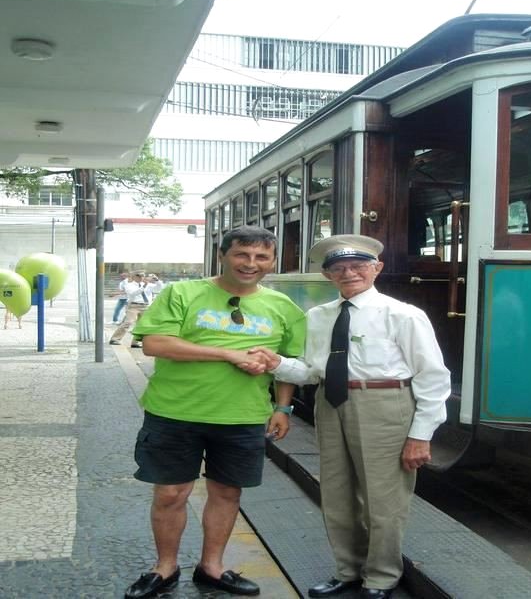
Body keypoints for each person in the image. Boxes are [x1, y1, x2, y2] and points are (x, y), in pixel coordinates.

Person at [253, 234, 451, 599]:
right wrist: (277, 363)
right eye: (338, 268)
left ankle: (381, 577)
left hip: (386, 405)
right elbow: (313, 371)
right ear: (328, 276)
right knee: (337, 494)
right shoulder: (319, 316)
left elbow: (433, 378)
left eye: (358, 266)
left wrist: (421, 434)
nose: (349, 273)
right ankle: (347, 570)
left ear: (376, 268)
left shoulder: (403, 315)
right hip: (332, 404)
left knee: (383, 499)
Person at [123, 225, 306, 599]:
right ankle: (165, 567)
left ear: (272, 262)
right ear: (223, 255)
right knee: (171, 492)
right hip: (175, 412)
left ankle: (212, 566)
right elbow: (154, 343)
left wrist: (283, 407)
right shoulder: (182, 292)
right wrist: (227, 353)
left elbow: (290, 362)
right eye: (242, 254)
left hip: (242, 416)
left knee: (227, 493)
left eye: (261, 257)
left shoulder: (283, 307)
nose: (250, 264)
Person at [109, 271, 149, 348]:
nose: (141, 277)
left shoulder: (147, 285)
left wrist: (156, 280)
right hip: (133, 305)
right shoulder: (129, 285)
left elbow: (158, 288)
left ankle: (136, 342)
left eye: (143, 276)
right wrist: (144, 287)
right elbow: (132, 293)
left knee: (142, 325)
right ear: (133, 277)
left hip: (145, 306)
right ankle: (115, 339)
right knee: (128, 322)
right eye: (139, 276)